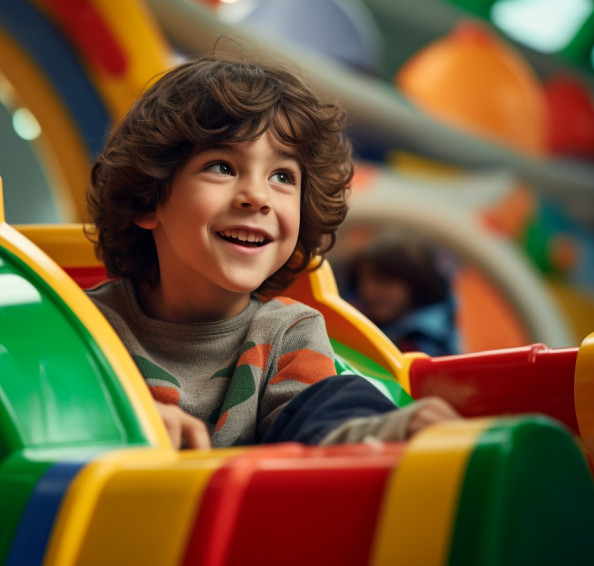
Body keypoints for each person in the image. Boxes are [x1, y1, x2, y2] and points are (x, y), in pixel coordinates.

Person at [85, 51, 459, 450]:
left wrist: (384, 432)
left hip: (247, 507)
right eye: (222, 167)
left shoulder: (288, 332)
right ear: (148, 199)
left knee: (336, 396)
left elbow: (319, 422)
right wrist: (120, 417)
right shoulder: (87, 324)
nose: (257, 196)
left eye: (282, 176)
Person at [346, 229, 460, 357]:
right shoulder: (350, 321)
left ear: (414, 282)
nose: (368, 292)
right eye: (361, 281)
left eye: (384, 280)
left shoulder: (426, 345)